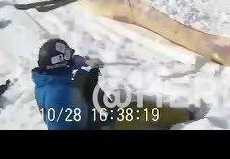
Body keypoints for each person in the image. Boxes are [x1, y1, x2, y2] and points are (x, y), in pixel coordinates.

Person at [32, 38, 204, 130]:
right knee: (143, 112)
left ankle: (183, 116)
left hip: (99, 115)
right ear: (58, 62)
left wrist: (85, 62)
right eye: (68, 56)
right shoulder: (59, 94)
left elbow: (71, 62)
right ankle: (189, 117)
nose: (72, 58)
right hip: (102, 125)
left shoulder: (49, 78)